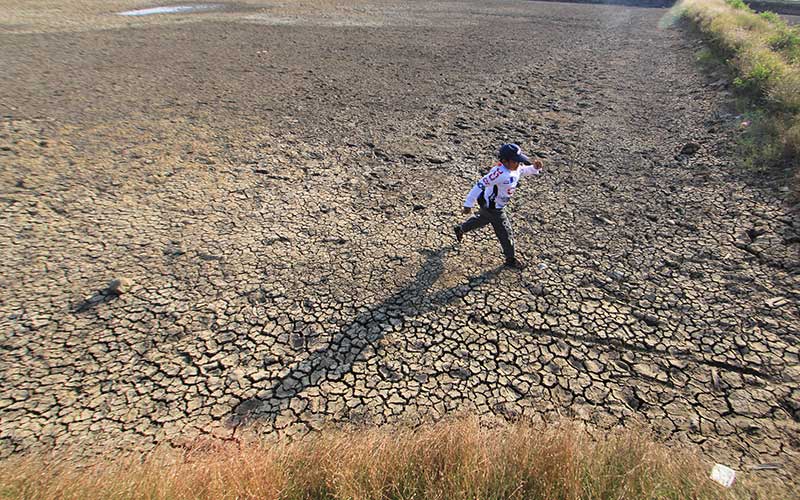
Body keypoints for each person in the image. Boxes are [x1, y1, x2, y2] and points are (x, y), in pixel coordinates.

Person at [454, 143, 543, 270]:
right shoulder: (499, 173)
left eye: (519, 161)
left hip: (495, 205)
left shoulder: (515, 168)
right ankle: (510, 259)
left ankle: (461, 229)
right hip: (493, 208)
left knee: (481, 220)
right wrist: (468, 204)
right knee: (505, 232)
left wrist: (534, 168)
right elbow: (480, 185)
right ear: (505, 161)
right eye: (515, 161)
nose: (518, 164)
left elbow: (523, 170)